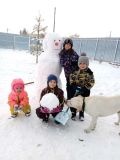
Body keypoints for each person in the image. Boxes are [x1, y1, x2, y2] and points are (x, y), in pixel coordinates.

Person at [69, 53, 95, 121]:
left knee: (83, 102)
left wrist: (85, 88)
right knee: (74, 101)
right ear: (78, 64)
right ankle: (73, 112)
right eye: (80, 63)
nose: (82, 65)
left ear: (87, 64)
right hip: (76, 89)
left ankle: (81, 113)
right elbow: (71, 78)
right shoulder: (75, 71)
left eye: (84, 63)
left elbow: (92, 81)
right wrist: (74, 86)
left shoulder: (89, 72)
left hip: (85, 90)